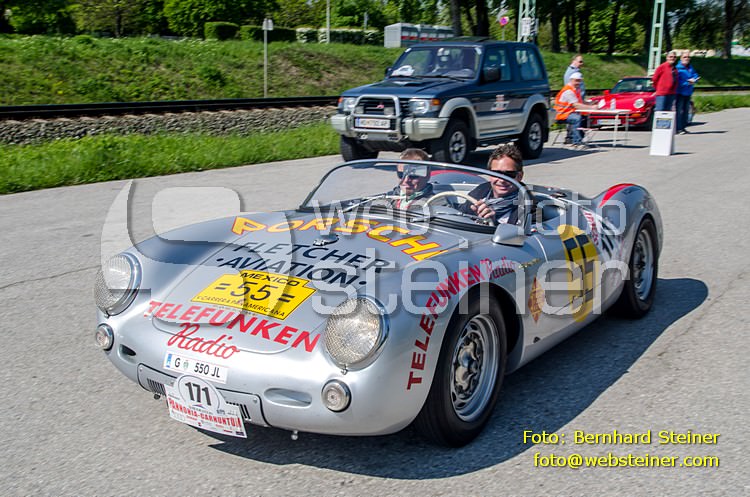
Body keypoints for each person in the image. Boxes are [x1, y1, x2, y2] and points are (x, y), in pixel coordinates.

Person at [461, 143, 526, 225]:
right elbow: (459, 215)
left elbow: (523, 232)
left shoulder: (530, 207)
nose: (502, 180)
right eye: (496, 174)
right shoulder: (479, 192)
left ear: (519, 176)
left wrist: (493, 223)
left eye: (509, 174)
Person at [554, 72, 597, 149]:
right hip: (561, 114)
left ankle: (580, 139)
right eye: (576, 80)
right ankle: (576, 142)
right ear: (571, 80)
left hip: (569, 113)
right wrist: (591, 108)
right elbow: (576, 105)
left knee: (585, 118)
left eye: (580, 81)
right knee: (577, 118)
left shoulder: (576, 90)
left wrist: (590, 103)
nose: (578, 83)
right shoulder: (568, 91)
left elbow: (580, 102)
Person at [676, 51, 699, 134]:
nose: (687, 58)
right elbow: (677, 81)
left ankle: (683, 127)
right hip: (680, 92)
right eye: (685, 57)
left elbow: (695, 74)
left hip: (688, 92)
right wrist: (687, 82)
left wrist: (695, 79)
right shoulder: (678, 68)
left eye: (688, 57)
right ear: (681, 58)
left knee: (686, 111)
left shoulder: (690, 67)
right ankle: (678, 128)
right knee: (679, 111)